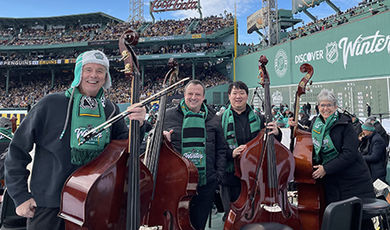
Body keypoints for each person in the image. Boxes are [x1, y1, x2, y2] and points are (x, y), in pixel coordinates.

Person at [4, 50, 146, 230]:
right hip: (49, 203)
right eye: (88, 69)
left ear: (106, 77)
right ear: (79, 72)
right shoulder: (49, 103)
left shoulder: (110, 109)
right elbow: (17, 150)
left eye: (100, 71)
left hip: (93, 202)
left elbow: (125, 149)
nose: (94, 75)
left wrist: (139, 125)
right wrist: (20, 196)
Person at [290, 89, 375, 229]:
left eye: (329, 105)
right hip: (332, 184)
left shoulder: (346, 125)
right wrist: (296, 129)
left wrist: (326, 168)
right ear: (317, 107)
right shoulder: (315, 125)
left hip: (352, 183)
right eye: (322, 105)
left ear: (336, 107)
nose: (325, 108)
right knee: (340, 222)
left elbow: (350, 154)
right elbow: (311, 145)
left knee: (359, 222)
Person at [163, 79, 226, 230]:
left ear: (204, 97)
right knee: (176, 224)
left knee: (198, 224)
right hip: (177, 183)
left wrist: (217, 175)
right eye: (190, 94)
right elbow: (151, 145)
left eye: (198, 94)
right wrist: (162, 139)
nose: (193, 97)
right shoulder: (168, 116)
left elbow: (221, 149)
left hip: (206, 184)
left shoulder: (214, 119)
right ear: (184, 95)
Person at [220, 81, 282, 221]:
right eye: (235, 93)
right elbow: (217, 148)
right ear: (229, 96)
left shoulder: (259, 119)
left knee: (255, 215)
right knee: (232, 217)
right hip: (231, 176)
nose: (238, 96)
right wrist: (231, 153)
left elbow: (273, 142)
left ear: (247, 96)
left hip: (255, 175)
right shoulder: (220, 121)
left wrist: (277, 132)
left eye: (242, 93)